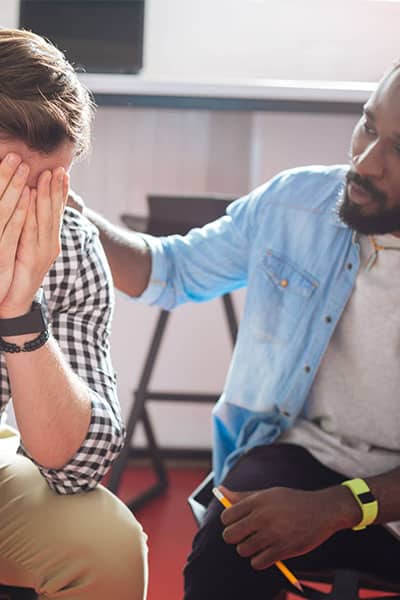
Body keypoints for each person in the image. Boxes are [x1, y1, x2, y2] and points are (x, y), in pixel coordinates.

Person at [70, 59, 400, 599]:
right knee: (230, 540)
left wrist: (338, 508)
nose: (366, 160)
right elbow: (170, 270)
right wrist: (66, 208)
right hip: (305, 457)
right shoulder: (298, 203)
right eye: (367, 124)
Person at [0, 29, 147, 600]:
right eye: (10, 183)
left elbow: (76, 466)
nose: (28, 214)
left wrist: (18, 314)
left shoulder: (67, 243)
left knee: (107, 544)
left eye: (48, 189)